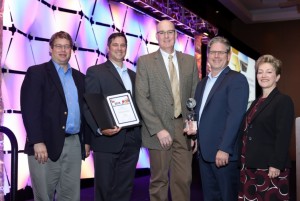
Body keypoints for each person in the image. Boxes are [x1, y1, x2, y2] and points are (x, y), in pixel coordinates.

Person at [20, 31, 90, 201]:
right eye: (58, 46)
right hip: (45, 144)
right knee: (44, 195)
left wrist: (86, 141)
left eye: (67, 46)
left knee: (70, 196)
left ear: (72, 50)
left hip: (74, 143)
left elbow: (86, 112)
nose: (63, 50)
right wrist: (36, 141)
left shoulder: (80, 78)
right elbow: (30, 109)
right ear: (50, 49)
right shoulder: (37, 73)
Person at [135, 20, 199, 201]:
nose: (166, 36)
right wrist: (158, 129)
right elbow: (141, 98)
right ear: (156, 36)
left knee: (183, 179)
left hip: (184, 128)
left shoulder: (189, 61)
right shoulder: (145, 62)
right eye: (161, 33)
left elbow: (194, 97)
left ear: (176, 34)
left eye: (169, 32)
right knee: (159, 180)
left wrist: (193, 132)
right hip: (158, 130)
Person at [190, 36, 249, 201]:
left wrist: (224, 148)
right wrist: (194, 136)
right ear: (208, 55)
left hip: (223, 155)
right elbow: (197, 113)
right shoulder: (202, 84)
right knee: (210, 197)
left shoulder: (236, 79)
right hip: (204, 154)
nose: (216, 56)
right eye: (213, 52)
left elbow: (235, 116)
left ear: (228, 56)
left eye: (221, 53)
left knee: (226, 197)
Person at [83, 32, 141, 201]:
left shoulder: (134, 75)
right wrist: (100, 129)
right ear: (107, 48)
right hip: (107, 140)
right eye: (115, 45)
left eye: (123, 45)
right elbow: (89, 105)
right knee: (105, 189)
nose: (119, 48)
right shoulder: (95, 72)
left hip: (132, 140)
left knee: (125, 189)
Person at [238, 55, 294, 200]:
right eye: (260, 72)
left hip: (270, 167)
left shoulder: (283, 101)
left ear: (277, 77)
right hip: (249, 164)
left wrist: (276, 164)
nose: (263, 75)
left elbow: (283, 135)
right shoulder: (255, 103)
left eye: (269, 72)